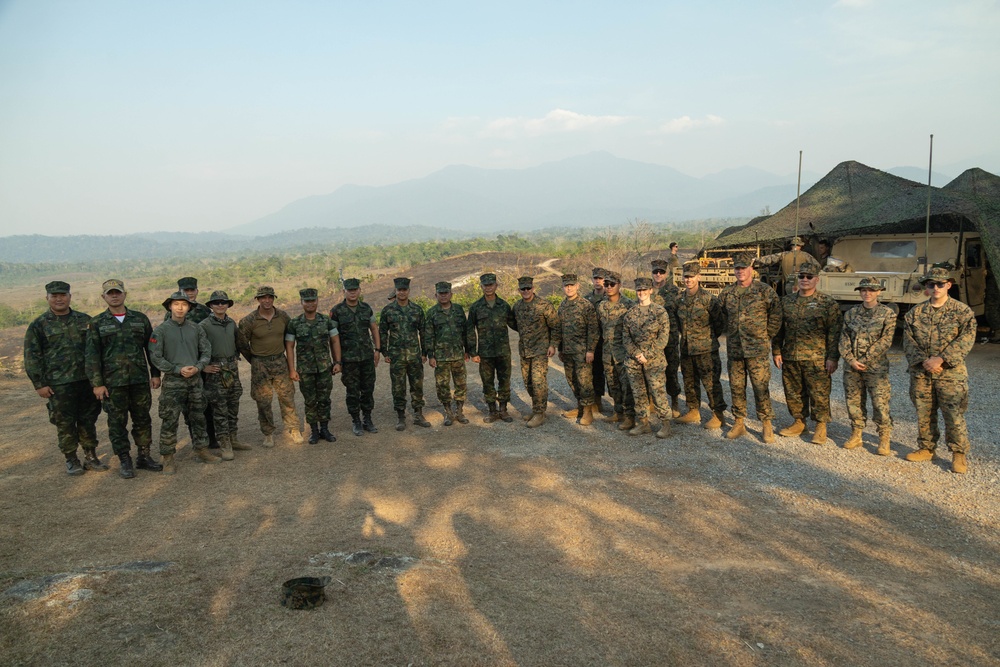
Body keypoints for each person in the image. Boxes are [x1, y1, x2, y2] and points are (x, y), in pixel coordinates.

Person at [902, 267, 977, 473]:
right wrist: (925, 361)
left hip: (950, 373)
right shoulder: (915, 313)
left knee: (953, 414)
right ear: (926, 287)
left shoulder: (962, 312)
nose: (935, 288)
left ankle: (958, 454)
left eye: (940, 284)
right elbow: (908, 341)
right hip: (922, 372)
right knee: (924, 412)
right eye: (931, 284)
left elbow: (967, 339)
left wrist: (941, 359)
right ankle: (926, 448)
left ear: (948, 285)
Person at [23, 281, 102, 476]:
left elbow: (97, 351)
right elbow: (32, 356)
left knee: (88, 419)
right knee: (64, 422)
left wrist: (98, 380)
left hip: (85, 381)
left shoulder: (85, 320)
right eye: (54, 295)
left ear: (69, 296)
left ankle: (91, 456)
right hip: (59, 384)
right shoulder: (39, 325)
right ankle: (71, 459)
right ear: (47, 298)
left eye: (63, 295)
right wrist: (39, 384)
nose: (59, 299)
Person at [85, 278, 162, 478]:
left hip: (138, 380)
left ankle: (144, 456)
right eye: (110, 293)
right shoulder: (97, 323)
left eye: (117, 292)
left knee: (143, 419)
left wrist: (155, 374)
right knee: (117, 423)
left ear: (124, 294)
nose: (114, 295)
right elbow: (92, 356)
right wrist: (97, 384)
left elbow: (151, 349)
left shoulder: (140, 319)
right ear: (104, 297)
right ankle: (125, 460)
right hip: (113, 384)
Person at [773, 261, 842, 445]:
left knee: (819, 392)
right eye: (801, 276)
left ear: (817, 279)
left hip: (816, 358)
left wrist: (833, 357)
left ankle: (820, 426)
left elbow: (834, 332)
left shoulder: (827, 303)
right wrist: (776, 350)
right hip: (791, 355)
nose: (804, 279)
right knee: (793, 391)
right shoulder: (786, 301)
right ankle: (799, 421)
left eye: (809, 277)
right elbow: (779, 329)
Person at [149, 291, 217, 474]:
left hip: (195, 381)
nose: (180, 308)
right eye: (176, 304)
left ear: (189, 307)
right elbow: (155, 356)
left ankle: (201, 449)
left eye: (184, 305)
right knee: (170, 419)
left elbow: (206, 352)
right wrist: (177, 369)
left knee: (198, 417)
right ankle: (168, 457)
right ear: (170, 306)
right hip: (173, 382)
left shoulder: (196, 329)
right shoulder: (161, 331)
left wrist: (198, 367)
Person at [718, 253, 783, 442]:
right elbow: (719, 316)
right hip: (735, 350)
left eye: (743, 268)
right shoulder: (727, 293)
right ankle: (739, 422)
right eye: (737, 268)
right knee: (737, 386)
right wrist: (725, 333)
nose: (740, 271)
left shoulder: (764, 291)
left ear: (751, 270)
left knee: (760, 387)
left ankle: (766, 424)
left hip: (757, 350)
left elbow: (776, 315)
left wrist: (766, 335)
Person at [839, 277, 896, 455]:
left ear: (879, 292)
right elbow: (844, 338)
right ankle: (857, 433)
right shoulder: (851, 313)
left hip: (875, 368)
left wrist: (865, 359)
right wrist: (850, 360)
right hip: (852, 367)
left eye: (871, 290)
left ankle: (884, 437)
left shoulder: (887, 314)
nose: (867, 293)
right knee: (854, 401)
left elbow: (886, 340)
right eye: (863, 290)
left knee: (880, 402)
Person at [238, 286, 301, 447]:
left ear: (273, 298)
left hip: (280, 361)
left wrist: (290, 364)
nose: (267, 300)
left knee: (287, 396)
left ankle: (293, 429)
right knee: (263, 400)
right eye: (263, 298)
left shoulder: (283, 316)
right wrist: (255, 361)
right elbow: (243, 345)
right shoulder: (248, 321)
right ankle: (268, 433)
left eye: (269, 297)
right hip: (260, 363)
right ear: (258, 300)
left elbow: (289, 338)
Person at [674, 263, 727, 430]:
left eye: (691, 276)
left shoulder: (709, 299)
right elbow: (677, 322)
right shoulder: (679, 300)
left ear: (699, 277)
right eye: (686, 276)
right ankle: (693, 410)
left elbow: (719, 323)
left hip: (706, 349)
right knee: (689, 381)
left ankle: (717, 414)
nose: (688, 279)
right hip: (686, 348)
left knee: (711, 382)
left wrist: (707, 338)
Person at [286, 288, 341, 444]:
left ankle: (325, 429)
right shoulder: (294, 323)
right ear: (302, 302)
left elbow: (335, 341)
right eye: (307, 301)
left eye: (313, 300)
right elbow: (289, 346)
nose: (310, 303)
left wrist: (337, 362)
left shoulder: (326, 321)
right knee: (310, 401)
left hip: (325, 368)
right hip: (306, 370)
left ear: (317, 301)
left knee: (324, 399)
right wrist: (292, 369)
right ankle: (314, 431)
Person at [199, 290, 250, 459]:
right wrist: (203, 367)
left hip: (231, 369)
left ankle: (233, 438)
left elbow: (238, 343)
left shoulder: (231, 323)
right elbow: (196, 349)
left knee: (233, 404)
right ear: (211, 306)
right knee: (219, 408)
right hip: (215, 371)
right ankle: (224, 443)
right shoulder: (204, 325)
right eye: (216, 302)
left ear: (228, 305)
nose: (220, 305)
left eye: (223, 302)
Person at [168, 276, 218, 448]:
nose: (189, 293)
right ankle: (197, 441)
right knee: (190, 408)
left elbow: (210, 340)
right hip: (185, 368)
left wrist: (204, 366)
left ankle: (212, 439)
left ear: (197, 291)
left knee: (208, 404)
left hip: (204, 366)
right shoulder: (172, 314)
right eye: (185, 290)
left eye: (192, 290)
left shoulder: (205, 311)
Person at [330, 278, 381, 436]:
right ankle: (356, 420)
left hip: (366, 357)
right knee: (352, 391)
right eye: (349, 290)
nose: (352, 292)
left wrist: (377, 349)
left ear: (359, 290)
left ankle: (367, 418)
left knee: (368, 389)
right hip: (348, 359)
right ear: (344, 291)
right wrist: (337, 361)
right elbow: (334, 338)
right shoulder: (337, 311)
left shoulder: (366, 308)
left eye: (355, 289)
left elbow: (373, 328)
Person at [622, 277, 672, 438]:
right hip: (634, 361)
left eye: (645, 289)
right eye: (639, 290)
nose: (641, 293)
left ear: (651, 290)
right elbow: (626, 338)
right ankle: (643, 423)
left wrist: (647, 355)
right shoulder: (630, 314)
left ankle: (665, 424)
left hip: (654, 360)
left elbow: (663, 338)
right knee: (638, 393)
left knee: (658, 392)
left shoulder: (659, 312)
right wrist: (637, 354)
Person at [509, 275, 560, 428]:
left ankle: (540, 412)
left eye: (528, 288)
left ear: (533, 288)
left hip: (540, 350)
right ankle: (535, 408)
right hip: (525, 350)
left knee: (538, 382)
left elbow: (556, 326)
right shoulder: (517, 307)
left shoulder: (544, 305)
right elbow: (514, 323)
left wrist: (553, 345)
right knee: (528, 382)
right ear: (519, 290)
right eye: (523, 289)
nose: (526, 291)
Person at [380, 277, 429, 431]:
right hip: (396, 356)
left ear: (408, 291)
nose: (402, 293)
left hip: (414, 355)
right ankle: (401, 417)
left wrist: (425, 352)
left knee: (417, 385)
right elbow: (382, 332)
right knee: (398, 387)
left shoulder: (417, 310)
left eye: (404, 290)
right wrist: (385, 352)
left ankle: (418, 414)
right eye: (399, 290)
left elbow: (424, 332)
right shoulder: (388, 310)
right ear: (395, 291)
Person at [466, 273, 514, 423]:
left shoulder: (504, 306)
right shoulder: (475, 307)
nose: (488, 287)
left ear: (496, 286)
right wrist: (473, 352)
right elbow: (469, 330)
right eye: (485, 285)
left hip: (503, 351)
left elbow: (515, 324)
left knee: (504, 380)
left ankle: (503, 410)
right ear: (481, 287)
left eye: (491, 284)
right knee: (487, 382)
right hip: (485, 353)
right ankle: (492, 411)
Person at [424, 281, 471, 426]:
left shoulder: (458, 310)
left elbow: (465, 331)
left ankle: (459, 411)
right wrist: (431, 356)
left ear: (451, 294)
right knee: (442, 385)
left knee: (461, 383)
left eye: (446, 293)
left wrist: (467, 350)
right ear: (436, 295)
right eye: (440, 294)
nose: (443, 296)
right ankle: (448, 412)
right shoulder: (432, 313)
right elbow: (428, 335)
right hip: (441, 357)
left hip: (458, 354)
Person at [594, 271, 636, 429]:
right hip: (607, 352)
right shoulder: (602, 305)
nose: (609, 287)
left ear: (619, 285)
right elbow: (599, 328)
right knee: (612, 384)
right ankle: (618, 412)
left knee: (627, 385)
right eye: (606, 284)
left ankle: (630, 416)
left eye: (612, 284)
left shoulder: (629, 305)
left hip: (623, 352)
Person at [557, 273, 599, 425]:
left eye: (571, 285)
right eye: (566, 286)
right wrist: (560, 349)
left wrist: (590, 350)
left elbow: (593, 330)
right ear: (563, 287)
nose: (569, 288)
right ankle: (580, 407)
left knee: (584, 381)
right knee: (572, 380)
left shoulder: (585, 305)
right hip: (567, 352)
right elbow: (560, 329)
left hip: (582, 352)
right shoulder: (562, 306)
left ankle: (588, 412)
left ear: (577, 286)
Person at [651, 259, 683, 417]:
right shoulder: (647, 290)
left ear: (666, 273)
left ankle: (675, 401)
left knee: (671, 370)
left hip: (670, 338)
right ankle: (652, 402)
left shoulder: (674, 291)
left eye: (661, 272)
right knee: (651, 371)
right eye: (655, 271)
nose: (658, 274)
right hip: (651, 340)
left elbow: (681, 314)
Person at [585, 268, 608, 413]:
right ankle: (596, 401)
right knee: (594, 371)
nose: (598, 281)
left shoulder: (610, 296)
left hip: (607, 341)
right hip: (592, 342)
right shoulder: (586, 299)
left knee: (611, 372)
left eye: (600, 278)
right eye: (595, 278)